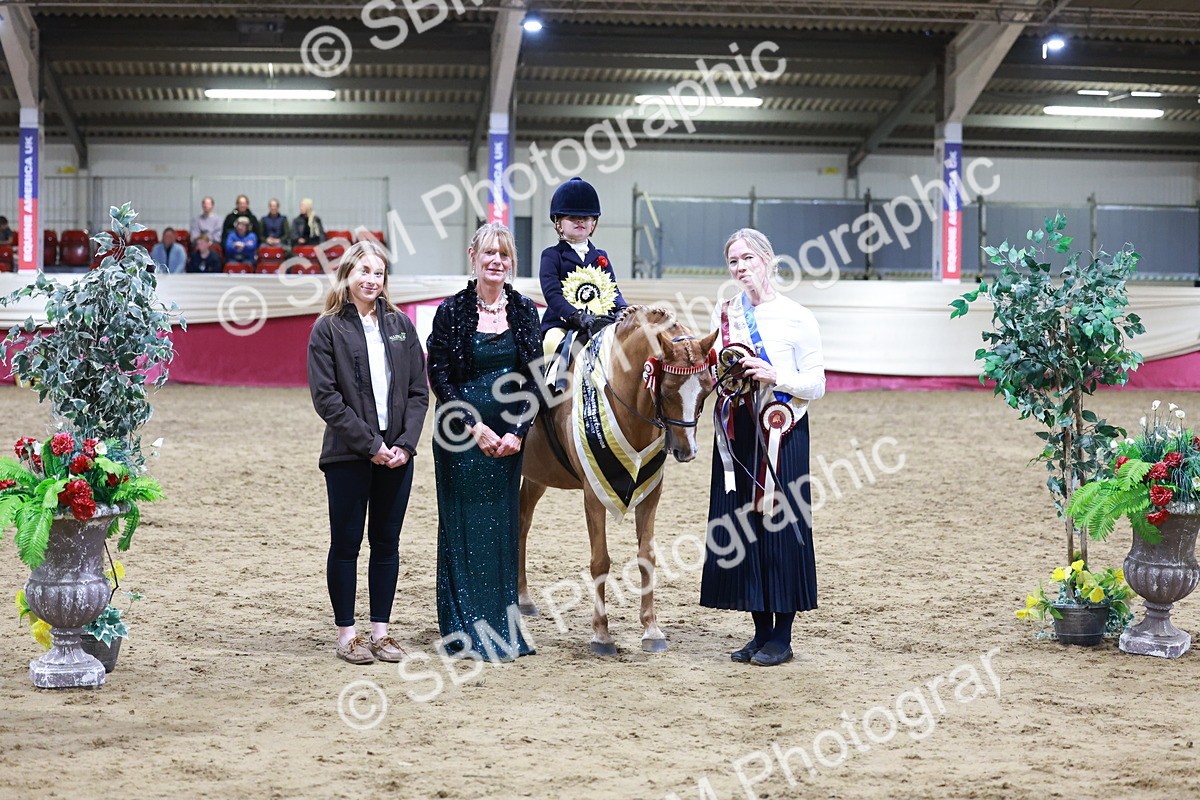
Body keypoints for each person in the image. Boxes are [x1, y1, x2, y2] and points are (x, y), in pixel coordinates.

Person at [701, 228, 825, 668]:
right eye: (733, 261)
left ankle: (782, 637)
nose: (740, 267)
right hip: (738, 432)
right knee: (745, 528)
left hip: (782, 432)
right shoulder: (726, 313)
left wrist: (776, 376)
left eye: (748, 258)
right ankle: (759, 632)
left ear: (768, 260)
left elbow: (817, 383)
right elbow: (716, 368)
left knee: (781, 530)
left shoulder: (797, 316)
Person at [307, 241, 429, 665]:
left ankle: (381, 632)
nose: (372, 280)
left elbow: (418, 392)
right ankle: (347, 635)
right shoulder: (327, 329)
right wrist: (372, 445)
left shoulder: (400, 325)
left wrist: (404, 445)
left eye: (379, 273)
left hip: (397, 457)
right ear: (347, 275)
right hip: (348, 456)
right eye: (364, 271)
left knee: (386, 544)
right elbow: (326, 399)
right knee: (346, 544)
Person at [426, 222, 541, 662]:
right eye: (489, 253)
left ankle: (501, 628)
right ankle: (462, 628)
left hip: (508, 442)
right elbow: (440, 377)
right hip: (460, 436)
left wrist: (518, 432)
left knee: (501, 530)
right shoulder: (451, 311)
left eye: (504, 254)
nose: (496, 261)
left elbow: (535, 380)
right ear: (472, 256)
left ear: (512, 262)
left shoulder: (525, 310)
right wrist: (476, 427)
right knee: (463, 528)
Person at [538, 176, 627, 391]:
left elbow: (612, 290)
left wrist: (623, 309)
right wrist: (575, 316)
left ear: (593, 223)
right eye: (572, 217)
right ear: (559, 223)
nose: (580, 221)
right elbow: (552, 295)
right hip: (563, 324)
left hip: (600, 323)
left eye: (586, 217)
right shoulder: (552, 256)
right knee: (550, 343)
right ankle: (547, 397)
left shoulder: (601, 256)